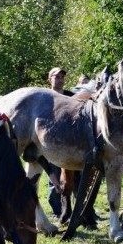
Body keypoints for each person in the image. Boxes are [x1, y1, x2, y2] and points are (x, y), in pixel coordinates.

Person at [46, 67, 71, 217]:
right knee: (54, 179)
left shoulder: (71, 96)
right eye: (57, 77)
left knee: (75, 180)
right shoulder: (45, 98)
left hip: (72, 142)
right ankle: (57, 211)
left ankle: (84, 211)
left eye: (62, 77)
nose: (60, 79)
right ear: (50, 79)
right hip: (52, 142)